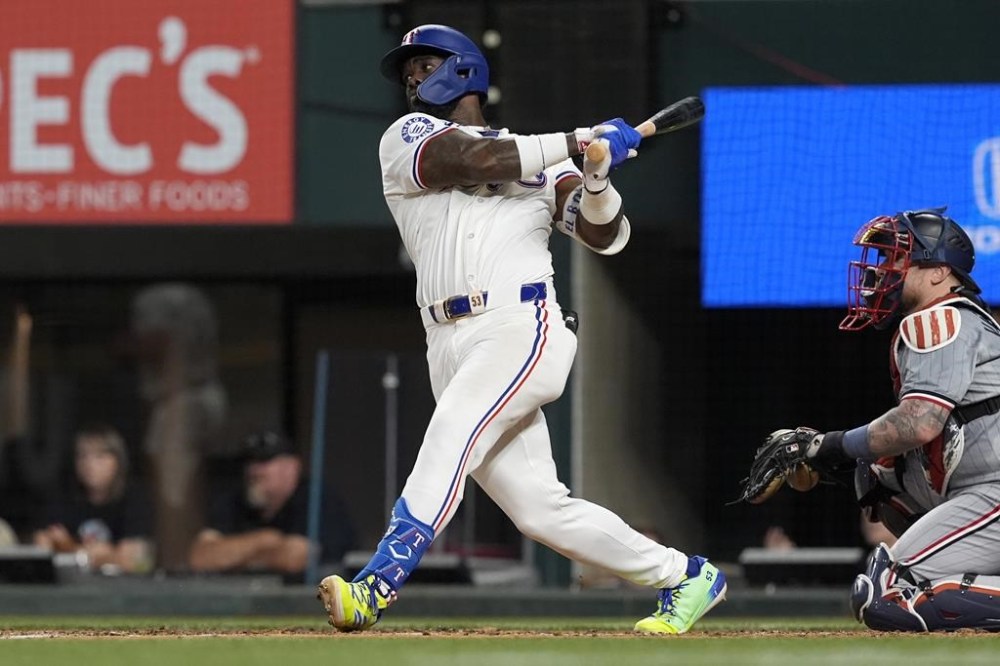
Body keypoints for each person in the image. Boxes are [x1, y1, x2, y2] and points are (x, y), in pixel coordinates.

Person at [316, 24, 726, 635]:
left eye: (423, 65)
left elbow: (606, 236)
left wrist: (594, 178)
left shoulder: (543, 160)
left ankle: (377, 584)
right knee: (542, 511)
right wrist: (577, 140)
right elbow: (473, 159)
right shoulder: (408, 139)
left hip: (520, 326)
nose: (412, 79)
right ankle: (686, 575)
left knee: (452, 431)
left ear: (462, 70)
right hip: (445, 338)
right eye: (408, 71)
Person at [742, 208, 1000, 632]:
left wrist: (824, 446)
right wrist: (836, 459)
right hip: (981, 493)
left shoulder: (940, 318)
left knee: (887, 593)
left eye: (897, 259)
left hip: (991, 494)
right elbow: (920, 443)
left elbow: (920, 422)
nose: (882, 272)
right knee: (879, 472)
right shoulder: (959, 319)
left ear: (938, 273)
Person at [188, 431, 354, 580]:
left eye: (264, 462)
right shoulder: (234, 501)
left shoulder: (317, 498)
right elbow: (201, 558)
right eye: (250, 462)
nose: (254, 471)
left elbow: (294, 559)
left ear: (291, 468)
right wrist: (265, 540)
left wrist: (236, 556)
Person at [32, 424, 154, 574]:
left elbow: (132, 560)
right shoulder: (62, 495)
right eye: (83, 456)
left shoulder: (135, 497)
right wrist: (105, 553)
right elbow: (42, 547)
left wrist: (68, 546)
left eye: (100, 456)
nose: (90, 465)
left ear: (118, 461)